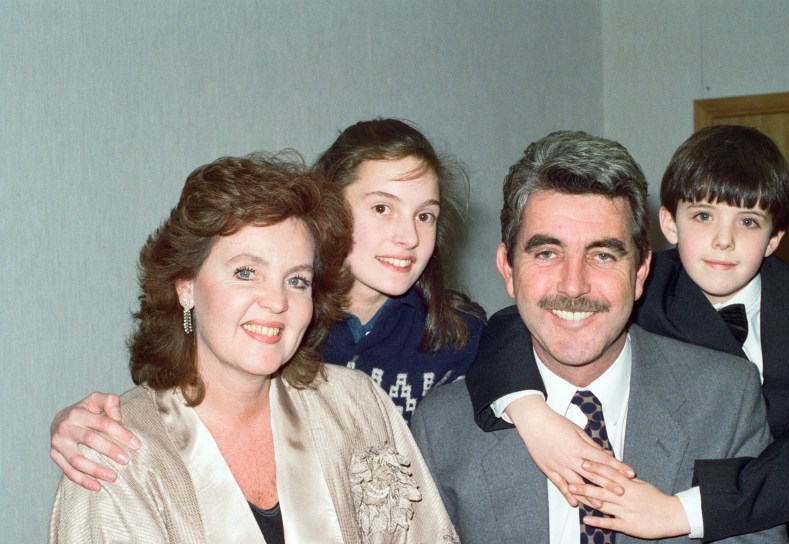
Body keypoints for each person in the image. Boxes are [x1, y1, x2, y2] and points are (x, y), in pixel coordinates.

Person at [465, 126, 789, 544]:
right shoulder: (638, 281)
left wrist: (678, 511)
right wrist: (529, 411)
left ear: (775, 239)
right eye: (703, 216)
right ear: (669, 225)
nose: (723, 240)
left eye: (748, 221)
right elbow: (521, 319)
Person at [47, 153, 467, 544]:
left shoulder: (358, 408)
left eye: (296, 280)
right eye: (246, 272)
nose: (276, 301)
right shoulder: (114, 457)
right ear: (185, 287)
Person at [47, 119, 485, 492]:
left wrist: (525, 405)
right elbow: (177, 413)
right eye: (382, 208)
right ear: (332, 208)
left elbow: (525, 352)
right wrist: (76, 424)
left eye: (425, 215)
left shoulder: (458, 334)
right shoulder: (274, 331)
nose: (409, 236)